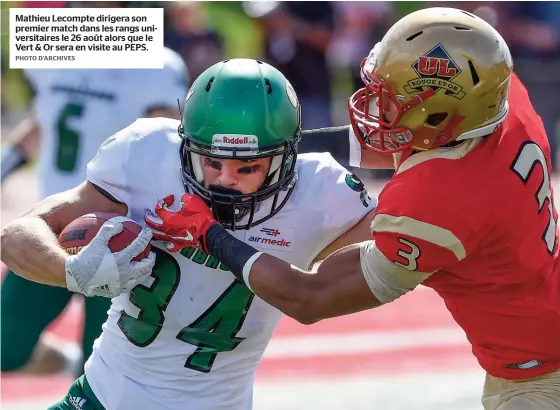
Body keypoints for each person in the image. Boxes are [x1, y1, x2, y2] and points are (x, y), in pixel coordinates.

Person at [150, 8, 560, 410]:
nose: (372, 104)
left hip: (538, 377)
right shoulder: (497, 99)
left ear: (437, 116)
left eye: (389, 98)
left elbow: (310, 297)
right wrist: (259, 152)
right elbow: (403, 139)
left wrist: (208, 234)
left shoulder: (436, 201)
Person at [1, 59, 376, 409]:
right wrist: (72, 271)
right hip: (102, 396)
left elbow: (385, 263)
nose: (224, 179)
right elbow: (17, 234)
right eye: (211, 161)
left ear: (285, 158)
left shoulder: (322, 193)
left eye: (247, 167)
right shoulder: (146, 153)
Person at [0, 45, 188, 375]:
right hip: (53, 221)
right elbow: (45, 119)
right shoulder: (62, 43)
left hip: (123, 233)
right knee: (6, 347)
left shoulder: (156, 62)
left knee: (103, 368)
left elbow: (169, 142)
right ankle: (68, 364)